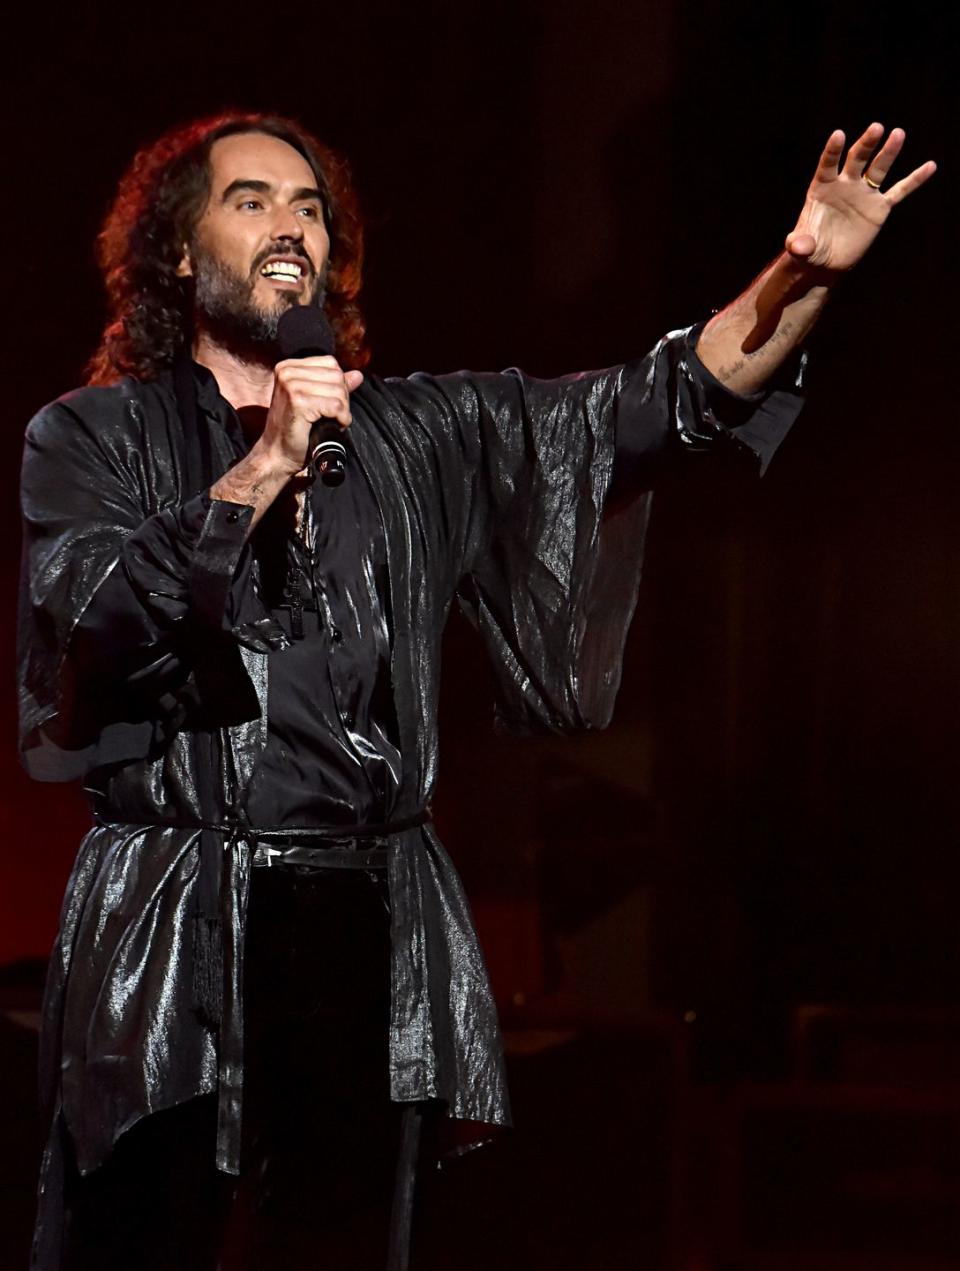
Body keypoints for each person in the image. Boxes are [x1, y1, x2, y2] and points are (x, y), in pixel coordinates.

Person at [17, 112, 934, 1270]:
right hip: (172, 917)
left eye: (309, 205)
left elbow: (652, 406)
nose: (290, 223)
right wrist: (264, 465)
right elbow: (94, 624)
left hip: (357, 924)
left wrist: (803, 269)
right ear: (180, 253)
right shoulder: (92, 435)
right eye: (250, 200)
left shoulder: (412, 437)